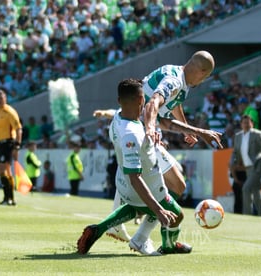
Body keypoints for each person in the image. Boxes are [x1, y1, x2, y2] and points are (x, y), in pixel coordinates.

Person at [96, 50, 216, 246]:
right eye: (206, 76)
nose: (204, 80)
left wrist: (185, 129)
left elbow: (173, 103)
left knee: (137, 174)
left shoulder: (180, 78)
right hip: (138, 132)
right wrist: (151, 128)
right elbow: (153, 103)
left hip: (130, 125)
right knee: (177, 185)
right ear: (201, 72)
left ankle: (118, 225)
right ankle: (141, 237)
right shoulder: (174, 81)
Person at [77, 79, 192, 256]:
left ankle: (97, 230)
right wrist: (158, 210)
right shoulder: (131, 134)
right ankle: (168, 245)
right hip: (143, 186)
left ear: (119, 101)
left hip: (124, 183)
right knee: (177, 215)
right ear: (141, 100)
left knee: (136, 207)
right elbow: (135, 177)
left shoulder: (118, 117)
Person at [230, 114, 261, 217]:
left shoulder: (258, 134)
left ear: (252, 124)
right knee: (257, 194)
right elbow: (235, 152)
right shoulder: (238, 136)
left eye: (248, 122)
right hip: (247, 168)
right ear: (241, 124)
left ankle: (247, 216)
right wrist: (235, 162)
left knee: (246, 188)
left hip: (257, 167)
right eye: (244, 122)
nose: (246, 124)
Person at [0, 89, 22, 206]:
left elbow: (19, 129)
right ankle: (8, 198)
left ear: (5, 98)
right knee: (3, 171)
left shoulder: (10, 112)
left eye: (1, 98)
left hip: (7, 143)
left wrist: (17, 146)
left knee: (4, 169)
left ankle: (9, 198)